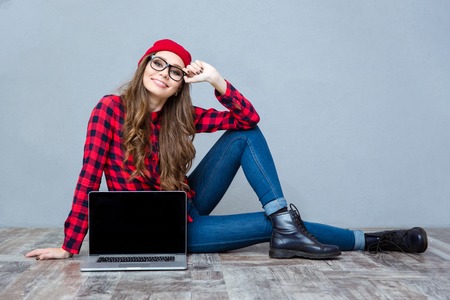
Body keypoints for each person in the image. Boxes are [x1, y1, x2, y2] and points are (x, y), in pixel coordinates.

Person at [26, 39, 428, 261]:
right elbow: (88, 176)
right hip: (161, 231)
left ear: (183, 82)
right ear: (143, 65)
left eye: (176, 71)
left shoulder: (180, 116)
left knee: (244, 138)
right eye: (158, 63)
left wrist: (217, 81)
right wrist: (69, 245)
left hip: (186, 204)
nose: (164, 73)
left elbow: (249, 119)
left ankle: (287, 224)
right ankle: (373, 241)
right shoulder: (109, 109)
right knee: (275, 225)